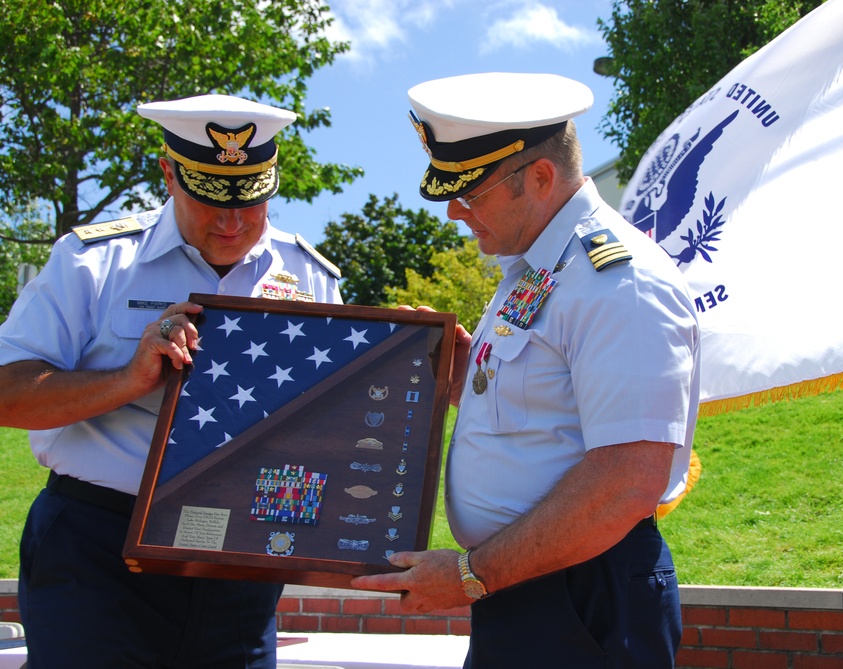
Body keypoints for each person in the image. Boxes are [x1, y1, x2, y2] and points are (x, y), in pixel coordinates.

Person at [352, 72, 701, 668]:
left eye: (471, 193)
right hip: (527, 586)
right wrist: (462, 375)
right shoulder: (537, 269)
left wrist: (469, 576)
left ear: (540, 178)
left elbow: (627, 479)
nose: (456, 213)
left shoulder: (618, 281)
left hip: (582, 597)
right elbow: (542, 417)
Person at [1, 94, 343, 669]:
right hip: (99, 554)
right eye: (209, 200)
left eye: (252, 200)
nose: (232, 222)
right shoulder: (94, 263)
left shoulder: (309, 274)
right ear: (168, 173)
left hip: (239, 560)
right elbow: (8, 393)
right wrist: (128, 379)